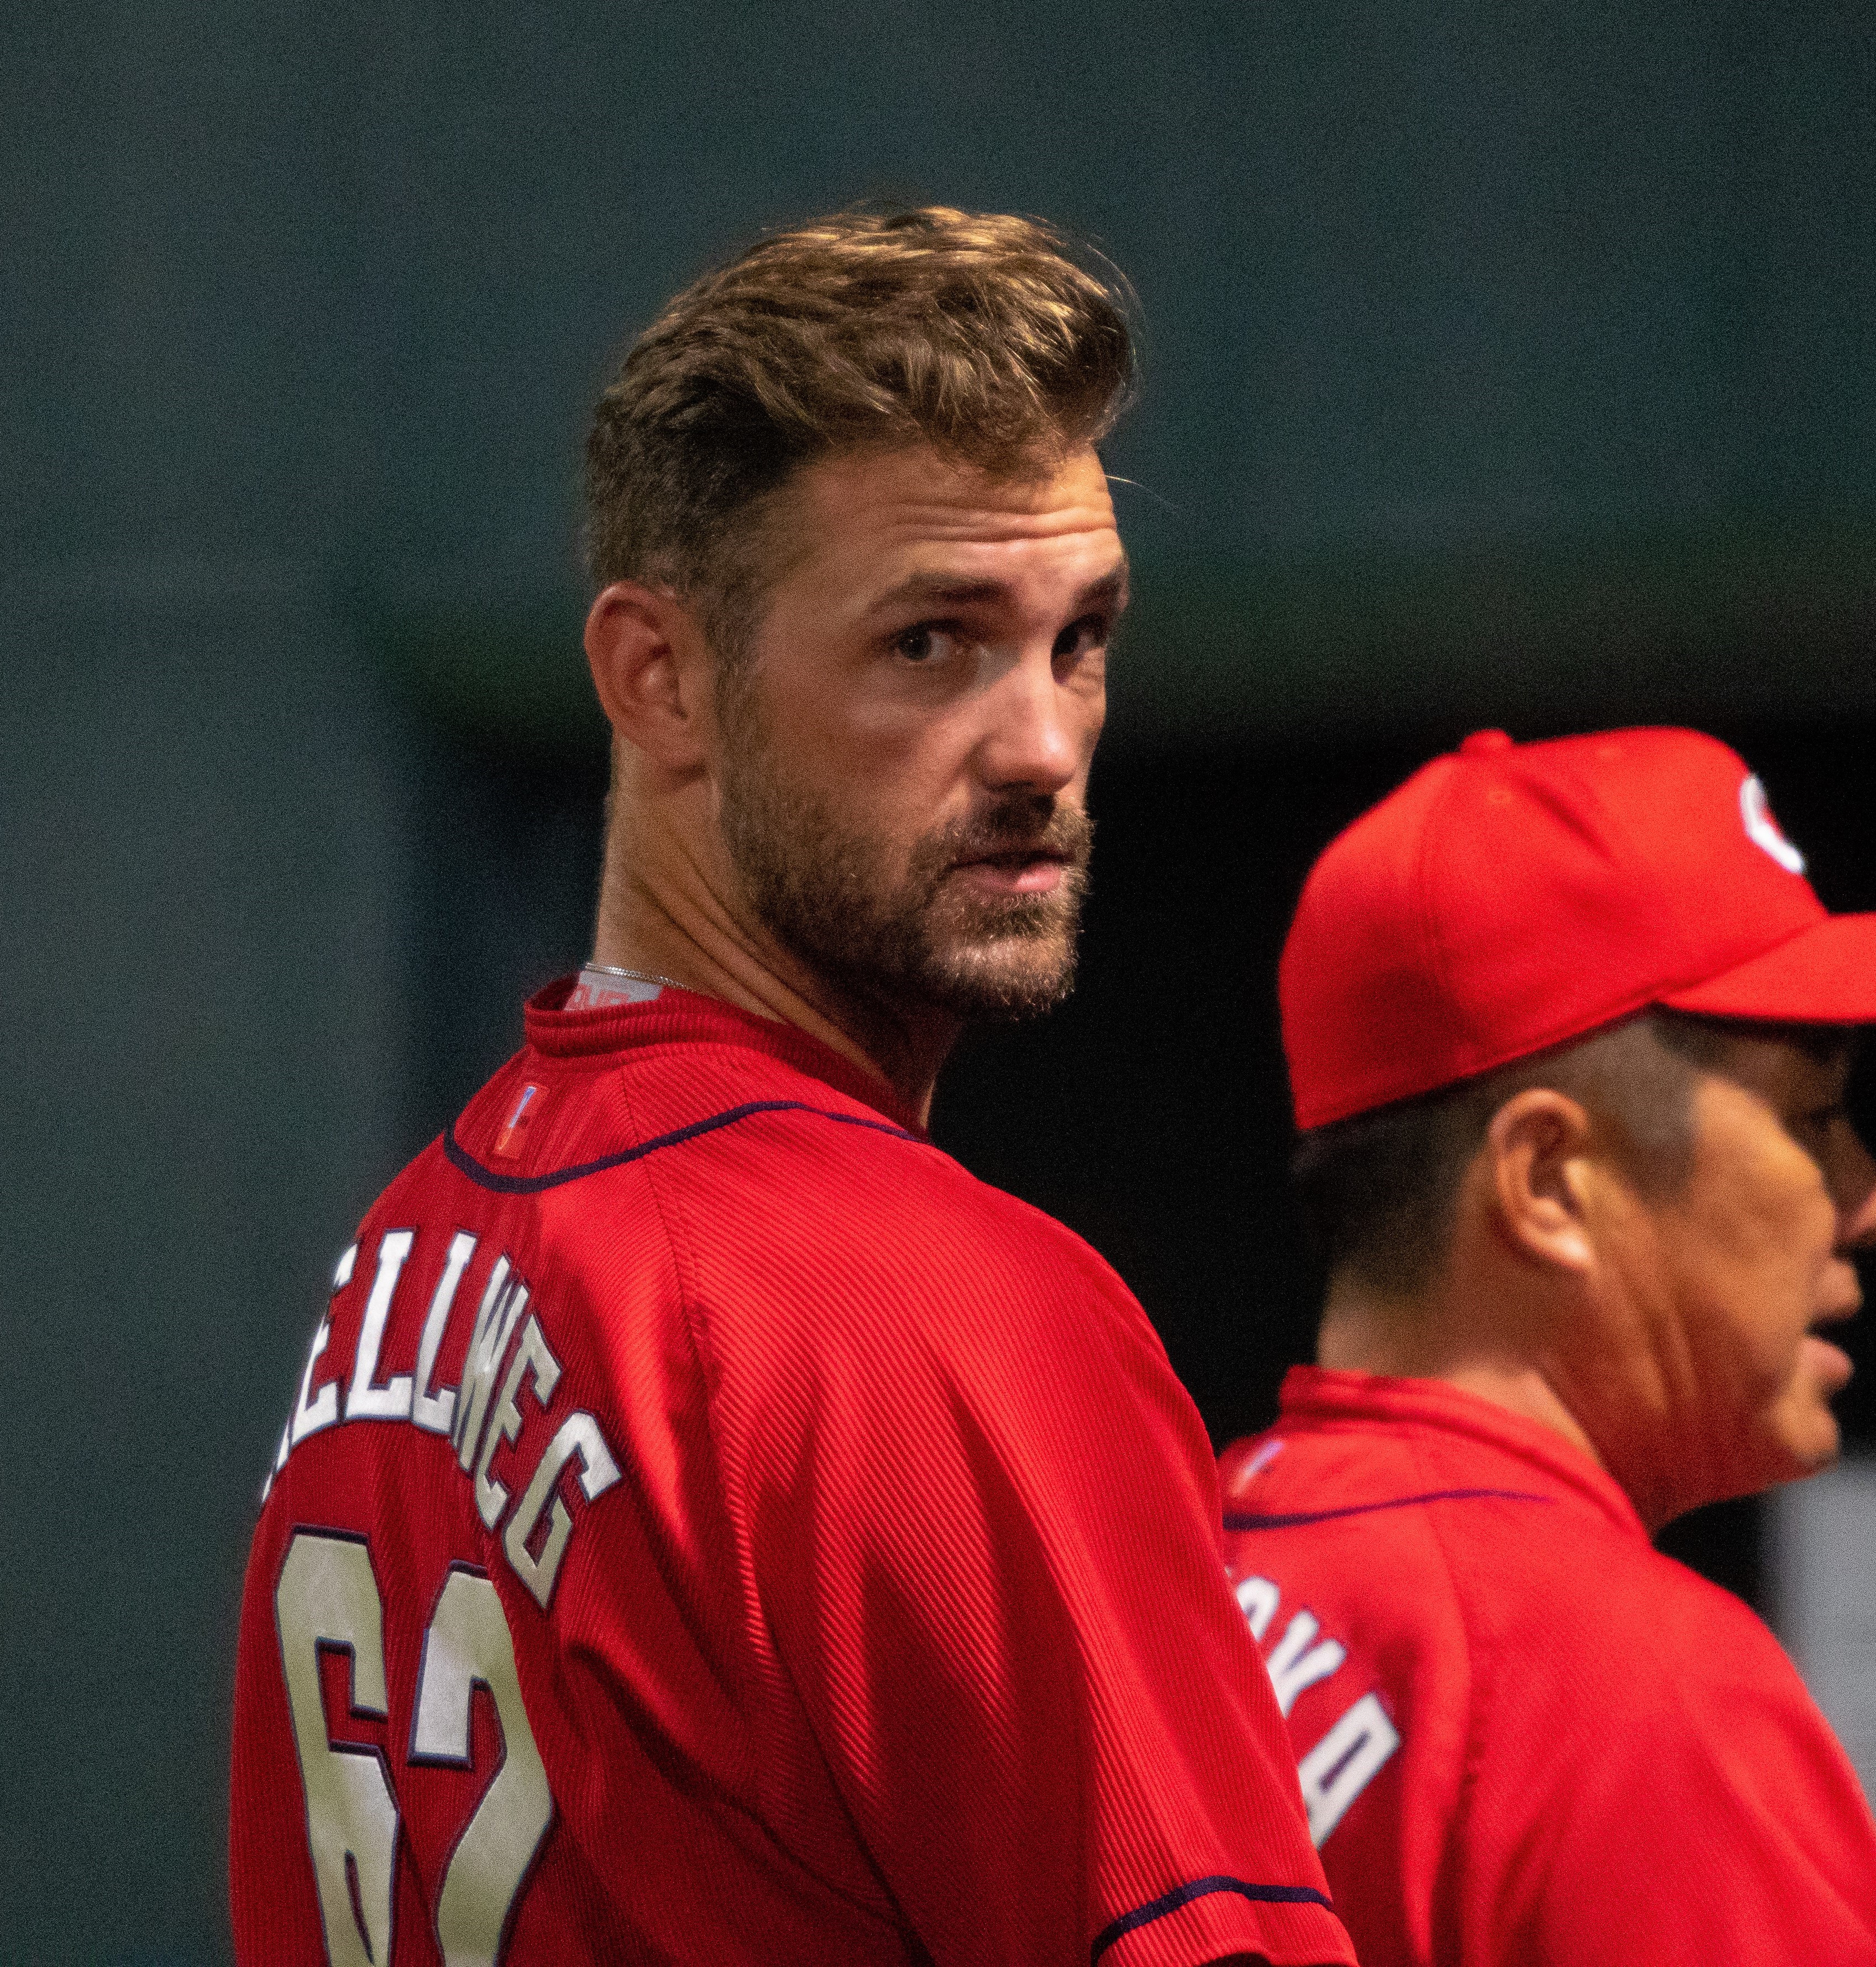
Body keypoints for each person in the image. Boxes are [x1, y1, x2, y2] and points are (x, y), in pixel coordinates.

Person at [229, 209, 1353, 1967]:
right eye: (933, 642)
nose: (1045, 746)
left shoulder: (407, 1254)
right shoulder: (927, 1313)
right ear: (656, 678)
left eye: (1078, 640)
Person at [1220, 725, 1876, 1965]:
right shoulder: (1629, 1697)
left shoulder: (1154, 1588)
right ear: (1548, 1179)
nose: (1858, 1197)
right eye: (1813, 1117)